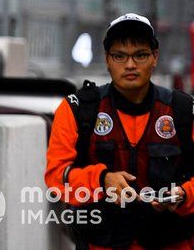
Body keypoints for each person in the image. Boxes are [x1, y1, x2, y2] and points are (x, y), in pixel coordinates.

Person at [45, 13, 194, 249]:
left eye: (140, 55)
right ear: (107, 59)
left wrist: (184, 195)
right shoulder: (76, 109)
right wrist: (102, 180)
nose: (130, 65)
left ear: (155, 57)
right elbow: (56, 178)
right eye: (119, 56)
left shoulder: (184, 111)